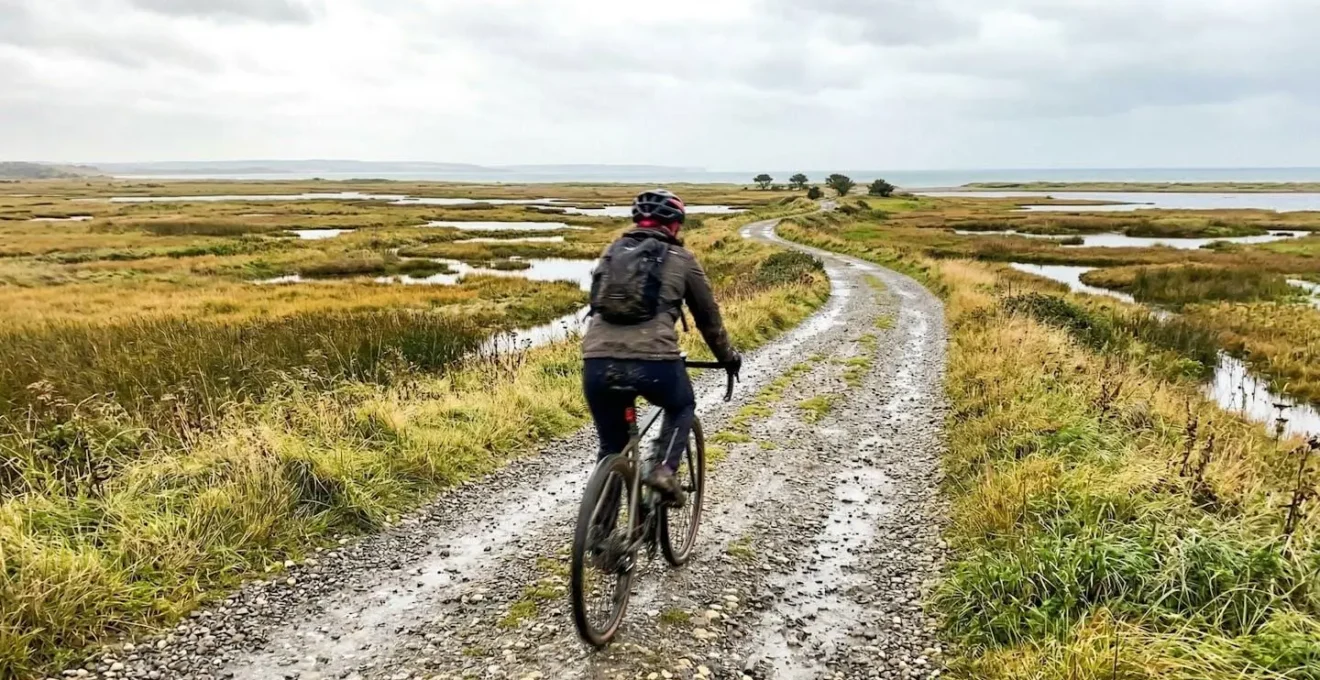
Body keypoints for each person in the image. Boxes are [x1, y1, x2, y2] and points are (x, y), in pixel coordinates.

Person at [581, 189, 741, 503]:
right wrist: (727, 357)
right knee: (682, 405)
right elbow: (708, 318)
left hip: (597, 363)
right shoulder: (682, 258)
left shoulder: (611, 252)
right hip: (655, 362)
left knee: (611, 447)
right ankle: (664, 469)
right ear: (675, 225)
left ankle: (600, 537)